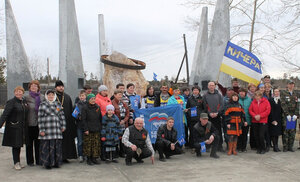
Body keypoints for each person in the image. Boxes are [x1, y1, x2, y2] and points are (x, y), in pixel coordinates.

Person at [0, 86, 27, 170]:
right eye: (17, 91)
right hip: (14, 127)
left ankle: (18, 162)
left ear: (23, 93)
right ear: (14, 93)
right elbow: (5, 114)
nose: (18, 93)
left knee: (18, 145)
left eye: (20, 91)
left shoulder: (23, 101)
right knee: (15, 145)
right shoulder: (11, 102)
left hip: (21, 128)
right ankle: (16, 163)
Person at [38, 90, 66, 169]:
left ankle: (56, 163)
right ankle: (47, 164)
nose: (51, 96)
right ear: (46, 96)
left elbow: (62, 116)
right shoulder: (42, 105)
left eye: (52, 95)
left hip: (56, 130)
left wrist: (63, 126)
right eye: (49, 95)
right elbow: (40, 118)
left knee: (56, 147)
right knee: (47, 147)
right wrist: (42, 130)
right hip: (47, 129)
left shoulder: (58, 104)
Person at [55, 80, 77, 162]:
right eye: (59, 86)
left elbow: (71, 109)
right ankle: (58, 156)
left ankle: (65, 156)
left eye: (62, 86)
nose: (61, 88)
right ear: (56, 87)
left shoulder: (67, 97)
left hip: (67, 122)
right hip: (57, 123)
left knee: (66, 140)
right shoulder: (53, 97)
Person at [24, 80, 44, 166]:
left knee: (38, 144)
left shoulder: (42, 97)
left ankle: (39, 160)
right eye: (32, 86)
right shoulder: (26, 97)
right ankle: (30, 161)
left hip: (39, 124)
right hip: (29, 123)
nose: (33, 87)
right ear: (29, 88)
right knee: (29, 144)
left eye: (35, 86)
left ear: (38, 87)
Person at [203, 81, 224, 152]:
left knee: (218, 131)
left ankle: (219, 146)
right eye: (210, 85)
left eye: (213, 85)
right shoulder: (205, 95)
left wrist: (217, 113)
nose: (211, 87)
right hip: (209, 116)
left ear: (215, 86)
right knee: (208, 131)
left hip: (217, 116)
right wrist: (209, 113)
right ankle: (208, 146)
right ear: (208, 86)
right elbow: (204, 105)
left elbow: (221, 105)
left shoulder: (219, 94)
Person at [82, 94, 102, 165]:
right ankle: (89, 158)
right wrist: (86, 129)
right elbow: (83, 119)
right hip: (88, 129)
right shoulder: (85, 108)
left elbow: (100, 118)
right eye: (91, 99)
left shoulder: (97, 107)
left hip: (96, 128)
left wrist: (100, 127)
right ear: (88, 100)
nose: (93, 100)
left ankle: (94, 158)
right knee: (88, 144)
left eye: (94, 99)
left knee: (95, 144)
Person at [280, 80, 299, 152]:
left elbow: (298, 104)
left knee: (292, 131)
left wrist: (296, 114)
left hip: (293, 115)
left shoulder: (296, 93)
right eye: (290, 84)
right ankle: (285, 146)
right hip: (286, 115)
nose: (291, 85)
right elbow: (283, 104)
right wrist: (287, 114)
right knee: (285, 131)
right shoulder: (283, 93)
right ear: (287, 85)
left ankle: (290, 146)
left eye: (292, 84)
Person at [111, 90, 130, 157]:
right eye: (118, 94)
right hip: (116, 124)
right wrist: (117, 121)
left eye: (121, 95)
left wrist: (124, 120)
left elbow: (127, 113)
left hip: (124, 123)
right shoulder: (112, 103)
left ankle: (122, 152)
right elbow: (111, 114)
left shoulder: (124, 103)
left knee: (123, 138)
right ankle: (116, 153)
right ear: (115, 95)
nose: (120, 96)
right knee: (116, 138)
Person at [237, 88, 252, 152]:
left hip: (247, 119)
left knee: (245, 134)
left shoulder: (249, 100)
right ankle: (239, 147)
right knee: (239, 134)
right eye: (240, 92)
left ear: (245, 93)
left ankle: (244, 147)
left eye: (243, 92)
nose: (242, 93)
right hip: (238, 120)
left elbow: (251, 109)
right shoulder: (236, 99)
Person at [74, 90, 87, 163]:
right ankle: (80, 155)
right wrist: (78, 117)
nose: (82, 97)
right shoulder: (77, 105)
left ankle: (85, 154)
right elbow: (74, 115)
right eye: (81, 96)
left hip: (86, 126)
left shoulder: (88, 104)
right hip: (79, 125)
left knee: (86, 141)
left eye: (83, 96)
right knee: (80, 142)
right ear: (79, 97)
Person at [268, 88, 282, 152]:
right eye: (275, 92)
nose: (276, 93)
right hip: (273, 119)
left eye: (278, 91)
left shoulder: (280, 100)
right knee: (273, 133)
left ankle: (276, 145)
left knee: (277, 133)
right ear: (273, 93)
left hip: (279, 119)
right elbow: (270, 110)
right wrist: (272, 120)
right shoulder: (270, 100)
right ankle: (275, 146)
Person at [247, 83, 257, 150]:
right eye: (251, 87)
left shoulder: (257, 94)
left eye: (254, 87)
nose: (252, 88)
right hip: (248, 114)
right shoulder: (247, 95)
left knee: (254, 131)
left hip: (255, 115)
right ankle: (251, 144)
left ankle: (255, 144)